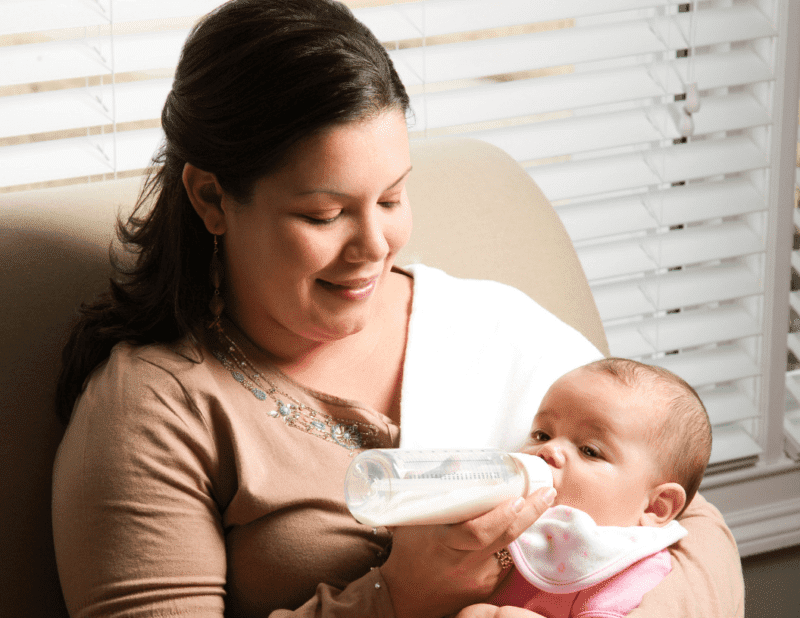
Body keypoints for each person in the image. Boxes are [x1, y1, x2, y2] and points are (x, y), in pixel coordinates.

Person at [50, 1, 744, 617]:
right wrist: (398, 598)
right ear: (211, 199)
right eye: (324, 214)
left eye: (390, 198)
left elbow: (689, 533)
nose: (375, 246)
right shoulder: (157, 408)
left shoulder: (488, 326)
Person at [455, 358, 712, 618]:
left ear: (655, 506)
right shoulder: (507, 514)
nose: (548, 450)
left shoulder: (628, 565)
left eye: (589, 450)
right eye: (542, 434)